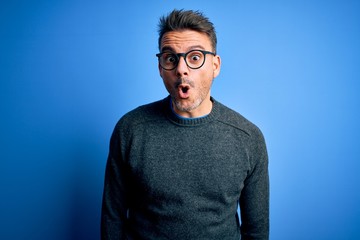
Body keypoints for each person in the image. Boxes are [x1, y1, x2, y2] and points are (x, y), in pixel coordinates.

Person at [101, 9, 269, 240]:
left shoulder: (248, 138)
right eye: (171, 58)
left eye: (195, 57)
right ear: (160, 68)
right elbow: (112, 220)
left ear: (215, 66)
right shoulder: (130, 129)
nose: (181, 69)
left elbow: (256, 231)